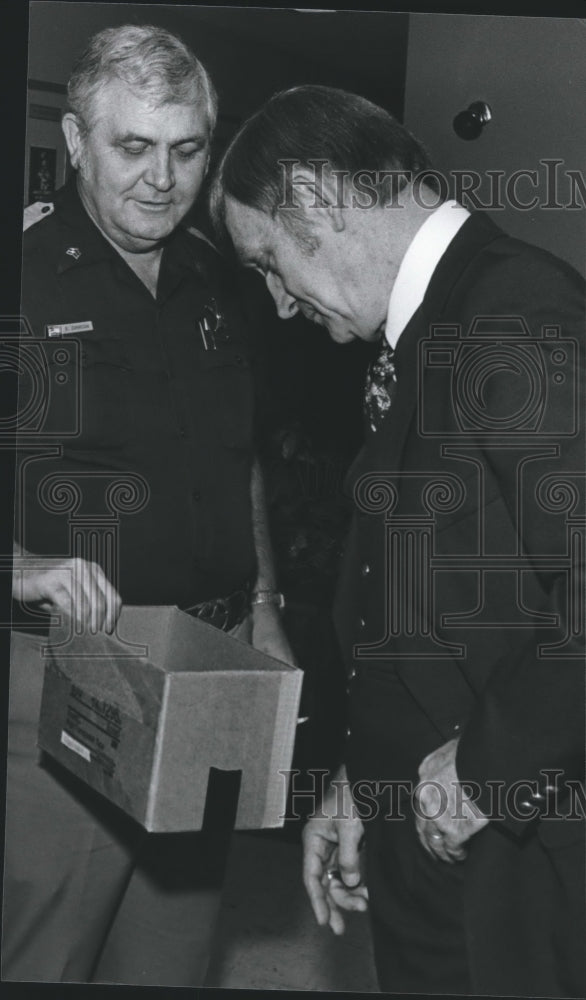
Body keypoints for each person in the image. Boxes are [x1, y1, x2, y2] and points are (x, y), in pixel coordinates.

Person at [210, 85, 585, 998]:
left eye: (267, 260)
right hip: (423, 829)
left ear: (319, 201)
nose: (280, 301)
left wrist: (489, 771)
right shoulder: (424, 324)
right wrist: (361, 780)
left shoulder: (513, 314)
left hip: (509, 851)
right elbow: (415, 597)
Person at [5, 25, 294, 985]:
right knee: (47, 950)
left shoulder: (220, 276)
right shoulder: (27, 276)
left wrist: (263, 609)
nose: (162, 178)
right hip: (67, 672)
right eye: (134, 147)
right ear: (77, 138)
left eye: (187, 148)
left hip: (205, 670)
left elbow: (236, 456)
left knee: (171, 957)